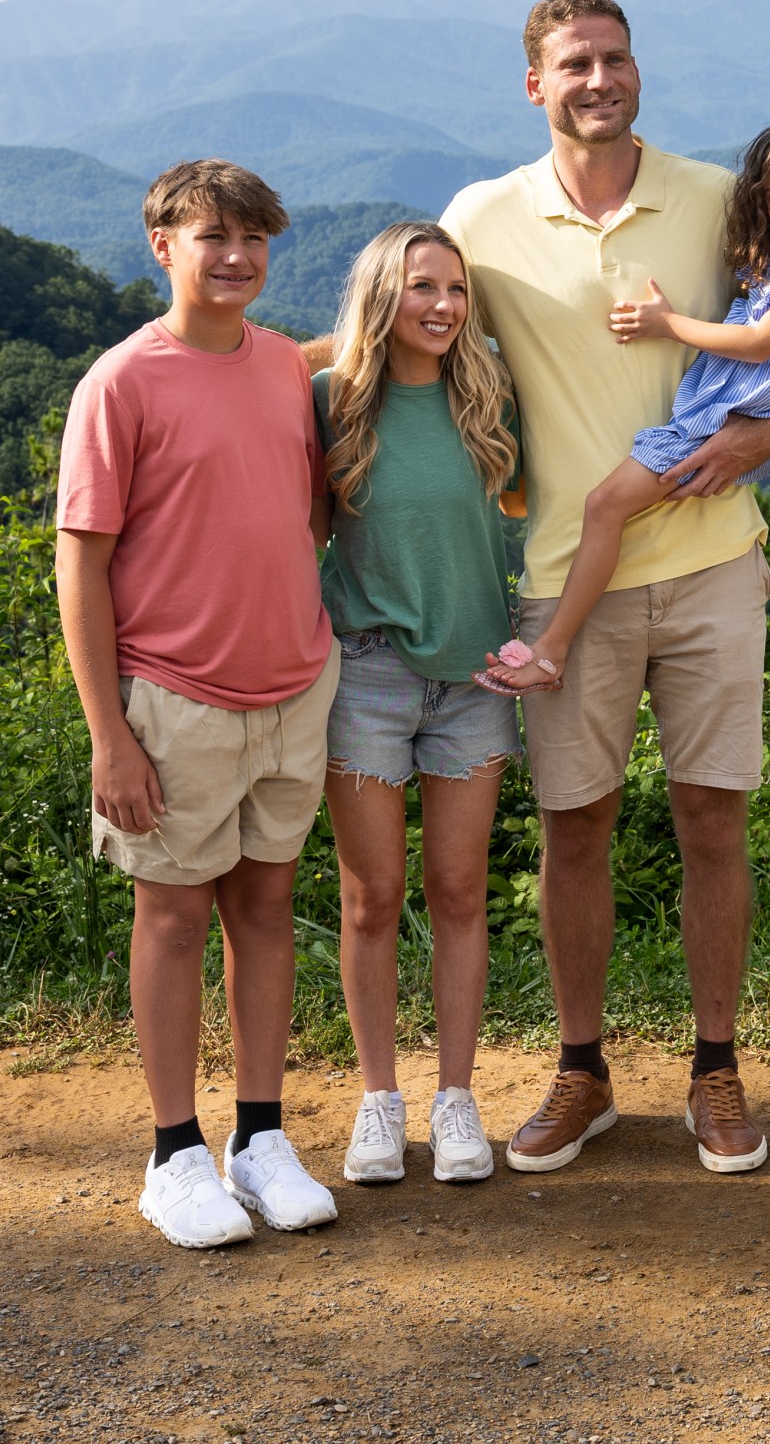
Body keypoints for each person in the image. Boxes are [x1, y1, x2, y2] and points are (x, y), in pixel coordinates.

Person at [439, 0, 770, 1178]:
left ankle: (715, 1066)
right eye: (573, 63)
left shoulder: (716, 199)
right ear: (536, 85)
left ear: (638, 72)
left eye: (613, 58)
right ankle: (583, 1068)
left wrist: (768, 437)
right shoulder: (483, 217)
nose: (597, 78)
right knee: (575, 825)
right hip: (566, 582)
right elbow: (405, 334)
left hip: (712, 563)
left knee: (714, 815)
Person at [58, 158, 345, 1251]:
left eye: (254, 237)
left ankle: (260, 1137)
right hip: (173, 700)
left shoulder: (282, 366)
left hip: (292, 686)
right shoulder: (121, 382)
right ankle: (175, 1151)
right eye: (211, 234)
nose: (235, 254)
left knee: (266, 911)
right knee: (174, 916)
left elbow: (304, 506)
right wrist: (109, 732)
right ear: (161, 244)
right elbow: (79, 566)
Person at [479, 116, 770, 692]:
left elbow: (761, 342)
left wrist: (667, 323)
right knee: (614, 508)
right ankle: (555, 645)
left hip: (718, 423)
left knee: (603, 506)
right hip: (725, 414)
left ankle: (549, 650)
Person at [310, 220, 524, 1187]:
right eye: (420, 287)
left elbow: (536, 500)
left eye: (454, 289)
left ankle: (458, 1099)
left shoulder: (489, 394)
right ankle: (378, 1103)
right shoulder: (330, 405)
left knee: (460, 894)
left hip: (476, 677)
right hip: (368, 672)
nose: (441, 306)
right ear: (381, 298)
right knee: (370, 899)